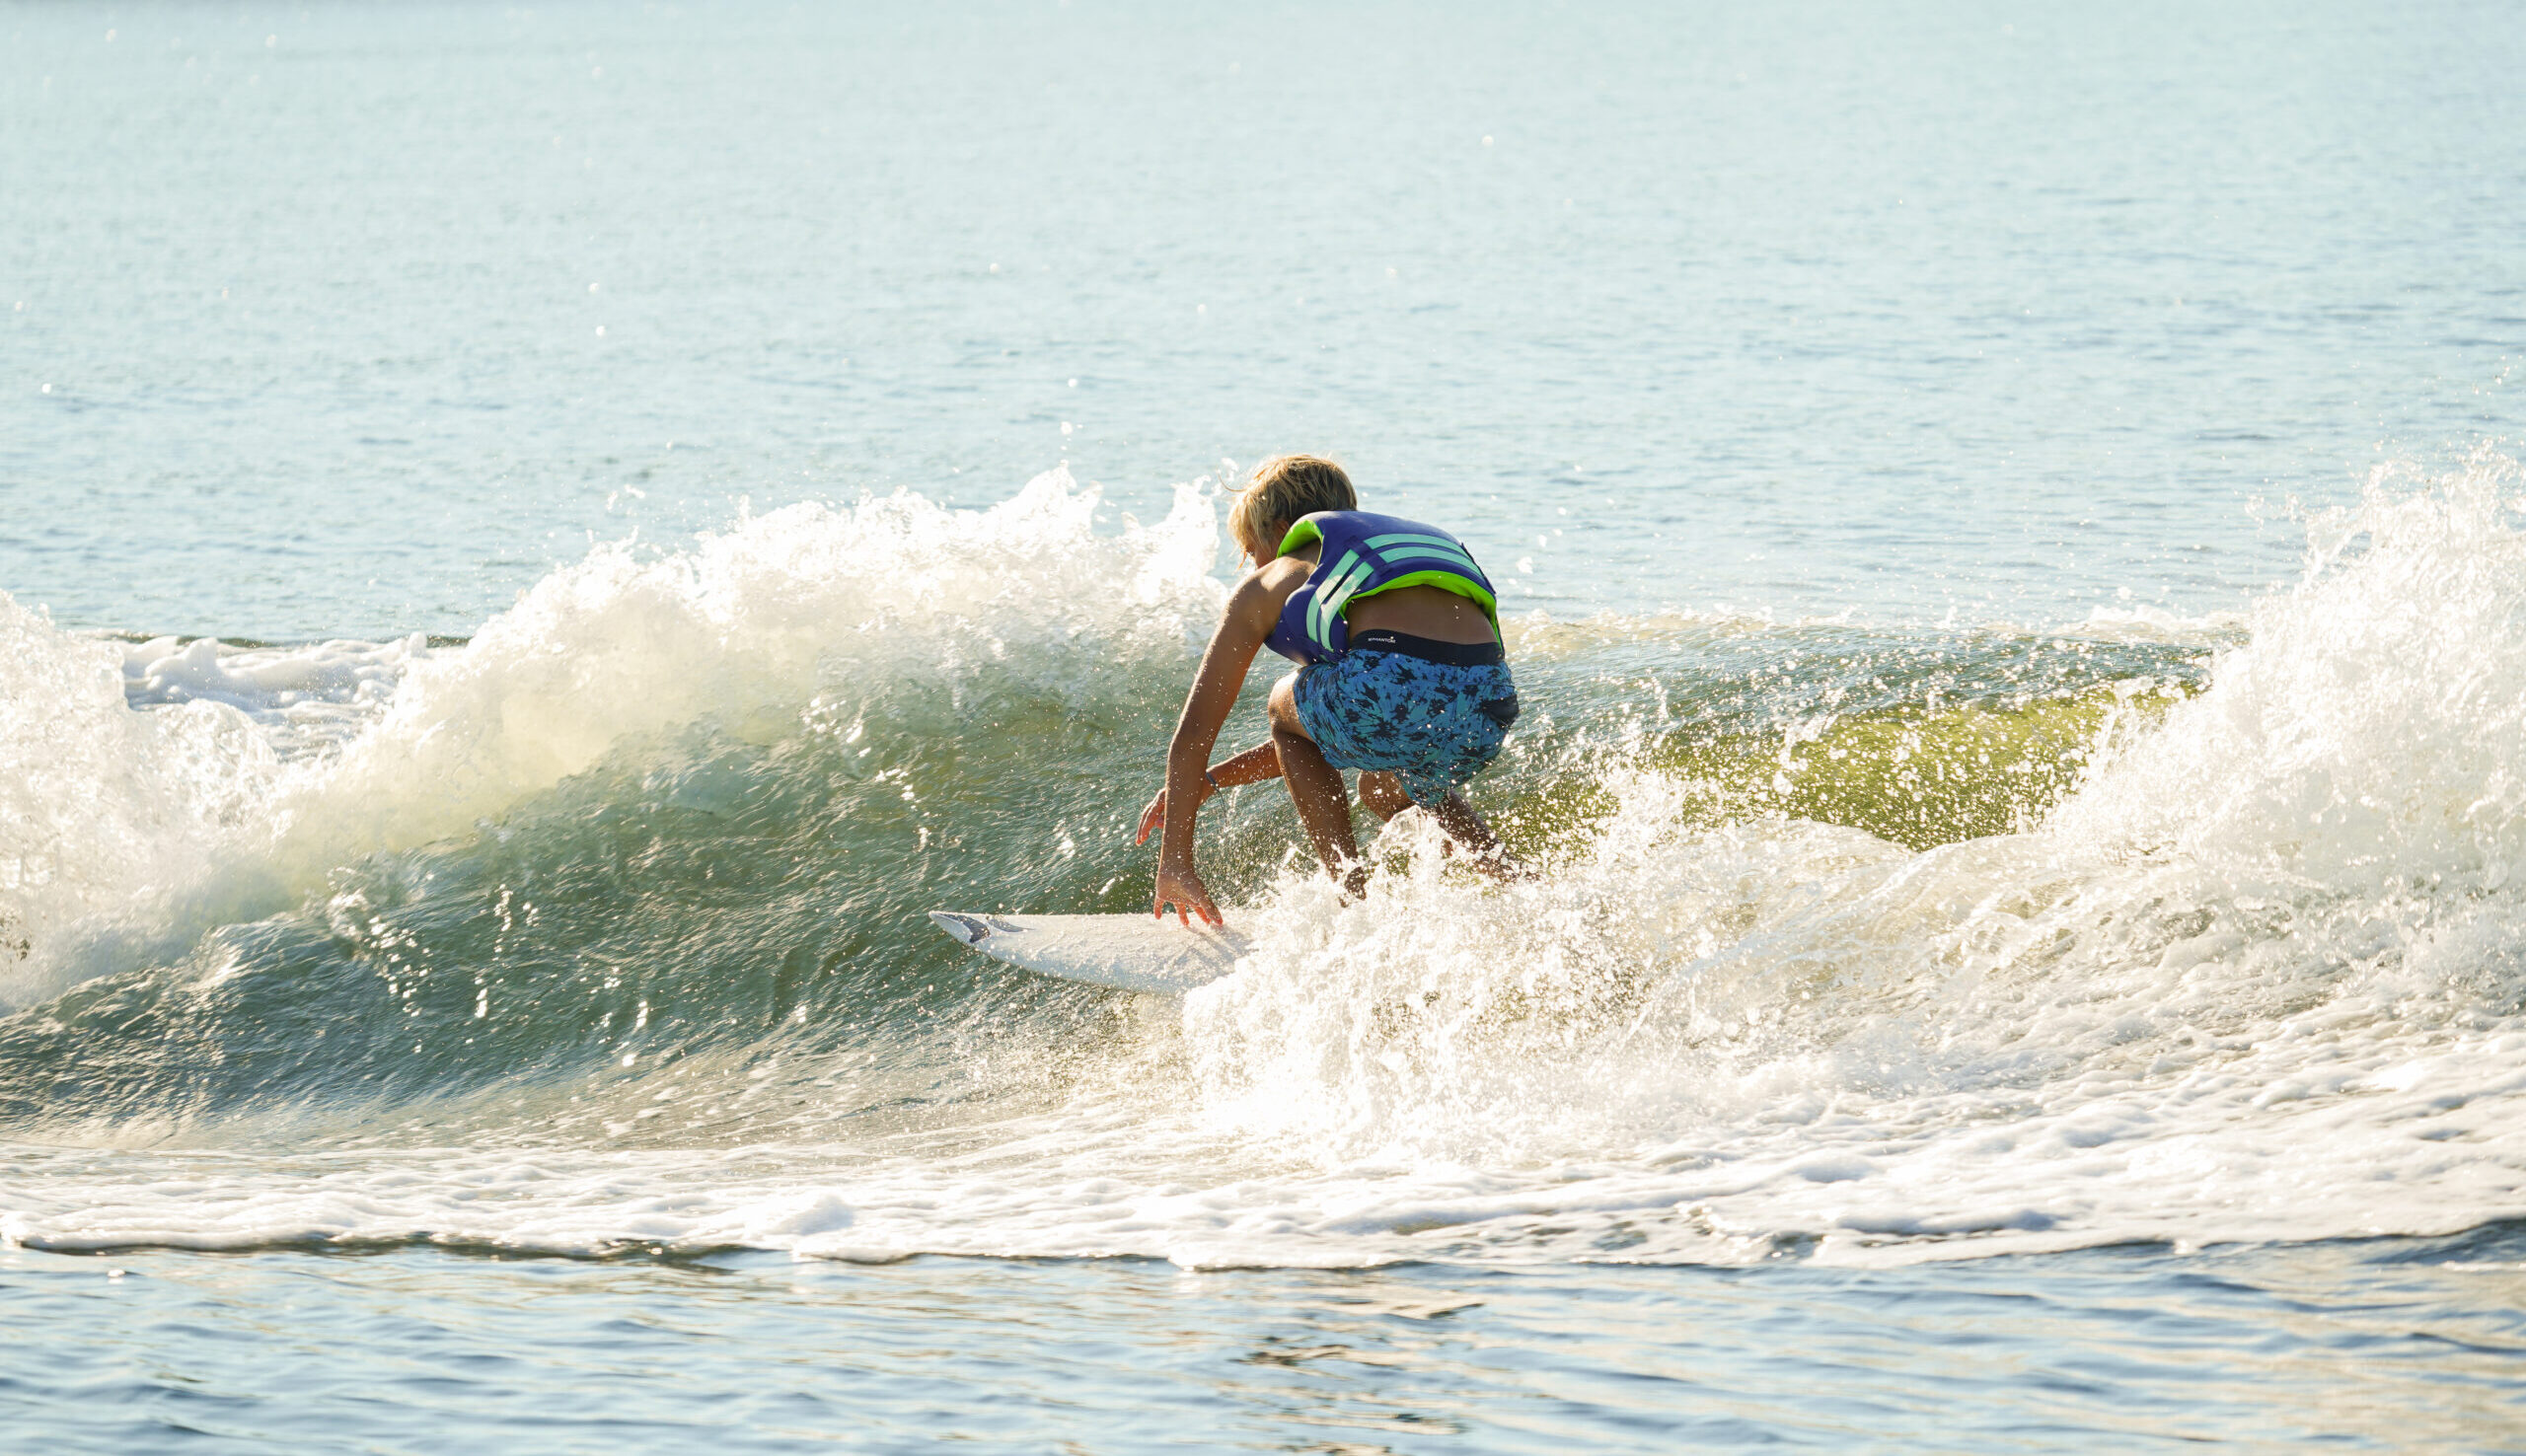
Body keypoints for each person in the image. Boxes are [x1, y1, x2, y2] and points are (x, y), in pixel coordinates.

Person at [1138, 455, 1524, 925]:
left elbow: (1197, 729)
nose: (1252, 563)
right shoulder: (1380, 570)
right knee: (1384, 788)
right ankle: (1520, 883)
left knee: (1286, 698)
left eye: (1249, 548)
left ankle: (1353, 903)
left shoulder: (1283, 572)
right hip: (1488, 711)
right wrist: (1214, 780)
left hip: (1390, 691)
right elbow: (1334, 723)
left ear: (1280, 530)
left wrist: (1175, 861)